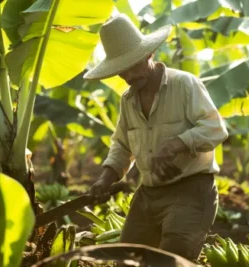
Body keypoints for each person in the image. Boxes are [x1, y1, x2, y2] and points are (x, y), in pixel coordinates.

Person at [83, 13, 229, 261]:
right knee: (126, 259)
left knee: (173, 255)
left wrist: (175, 145)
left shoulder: (184, 85)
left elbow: (216, 129)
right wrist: (106, 178)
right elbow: (122, 145)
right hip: (148, 194)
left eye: (132, 66)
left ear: (149, 55)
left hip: (190, 190)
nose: (128, 76)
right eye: (121, 71)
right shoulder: (127, 101)